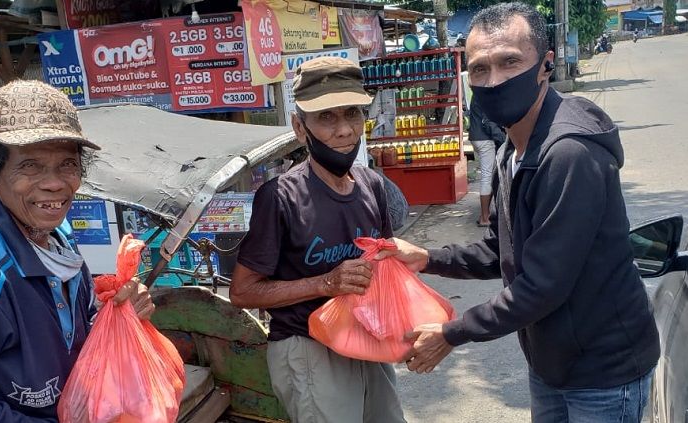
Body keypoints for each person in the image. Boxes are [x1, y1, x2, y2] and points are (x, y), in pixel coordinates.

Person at [377, 3, 659, 422]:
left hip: (603, 373)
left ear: (545, 65)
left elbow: (543, 285)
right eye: (479, 69)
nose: (495, 80)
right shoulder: (514, 148)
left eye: (510, 62)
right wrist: (427, 258)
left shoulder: (568, 155)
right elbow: (504, 250)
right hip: (550, 364)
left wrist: (452, 333)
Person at [0, 80, 155, 421]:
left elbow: (75, 332)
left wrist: (118, 313)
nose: (55, 183)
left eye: (67, 164)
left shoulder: (60, 238)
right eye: (30, 166)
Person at [230, 57, 406, 423]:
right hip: (309, 348)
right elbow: (243, 292)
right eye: (326, 117)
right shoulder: (280, 197)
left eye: (352, 114)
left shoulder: (372, 186)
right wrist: (327, 283)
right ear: (299, 127)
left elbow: (387, 268)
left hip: (366, 340)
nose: (344, 130)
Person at [468, 97, 505, 226]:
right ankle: (485, 217)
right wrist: (503, 139)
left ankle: (484, 215)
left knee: (487, 175)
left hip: (476, 136)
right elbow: (487, 121)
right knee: (487, 177)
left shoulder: (477, 92)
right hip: (484, 139)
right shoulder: (486, 93)